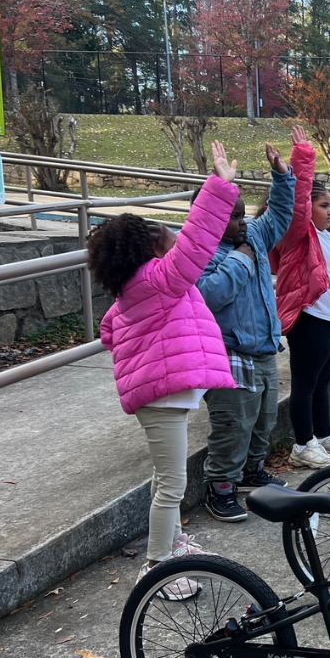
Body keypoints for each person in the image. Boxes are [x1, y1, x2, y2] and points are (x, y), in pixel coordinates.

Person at [92, 141, 241, 599]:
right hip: (162, 399)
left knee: (166, 478)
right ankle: (157, 569)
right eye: (160, 232)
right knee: (173, 483)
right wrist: (220, 187)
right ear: (147, 250)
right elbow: (197, 240)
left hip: (162, 397)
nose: (169, 234)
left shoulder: (134, 292)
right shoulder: (159, 281)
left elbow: (109, 332)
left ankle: (172, 548)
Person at [195, 128, 299, 522]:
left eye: (240, 214)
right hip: (227, 354)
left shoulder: (253, 235)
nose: (241, 223)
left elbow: (280, 216)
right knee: (233, 424)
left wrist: (282, 177)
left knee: (262, 420)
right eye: (231, 217)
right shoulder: (202, 253)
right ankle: (220, 485)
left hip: (263, 349)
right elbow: (209, 294)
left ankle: (251, 470)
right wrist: (239, 258)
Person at [270, 127, 330, 468]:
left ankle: (323, 435)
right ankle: (302, 444)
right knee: (305, 384)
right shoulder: (299, 236)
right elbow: (297, 202)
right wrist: (302, 158)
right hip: (308, 323)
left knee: (324, 381)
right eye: (323, 206)